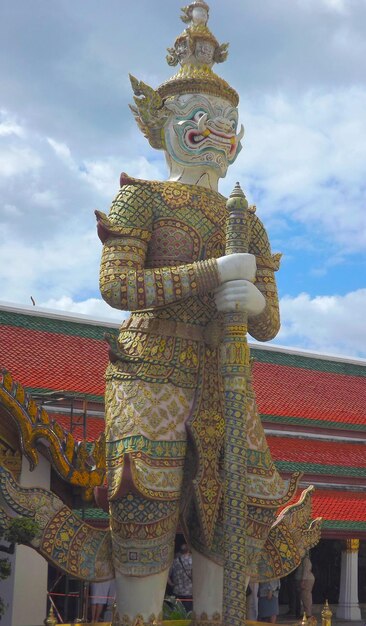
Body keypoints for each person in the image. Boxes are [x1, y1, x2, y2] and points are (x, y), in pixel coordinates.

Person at [96, 2, 320, 624]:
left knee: (230, 514)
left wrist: (250, 300)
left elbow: (269, 319)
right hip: (151, 365)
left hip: (228, 374)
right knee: (145, 503)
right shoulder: (139, 198)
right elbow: (116, 286)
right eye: (197, 115)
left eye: (226, 118)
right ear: (157, 120)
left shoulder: (246, 219)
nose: (214, 128)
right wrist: (213, 274)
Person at [168, 544, 193, 613]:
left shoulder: (174, 561)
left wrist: (171, 584)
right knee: (188, 613)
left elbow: (167, 575)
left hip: (177, 591)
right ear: (188, 550)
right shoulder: (192, 561)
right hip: (189, 592)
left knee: (178, 613)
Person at [295, 553, 315, 619]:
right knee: (303, 597)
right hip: (302, 579)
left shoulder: (306, 560)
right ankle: (304, 613)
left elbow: (306, 571)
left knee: (306, 597)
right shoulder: (301, 560)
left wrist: (303, 580)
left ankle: (308, 614)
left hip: (306, 580)